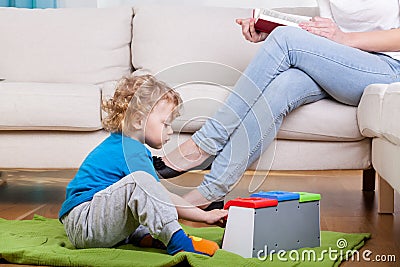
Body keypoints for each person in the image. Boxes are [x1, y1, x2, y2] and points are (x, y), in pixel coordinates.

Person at [154, 0, 400, 209]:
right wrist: (269, 30)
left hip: (386, 69)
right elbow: (320, 31)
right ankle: (211, 192)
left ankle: (204, 143)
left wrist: (345, 38)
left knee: (285, 40)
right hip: (335, 62)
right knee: (284, 85)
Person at [58, 74, 228, 256]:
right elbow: (162, 196)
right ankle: (177, 240)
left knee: (141, 196)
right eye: (165, 124)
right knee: (141, 183)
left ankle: (144, 236)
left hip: (87, 223)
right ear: (139, 120)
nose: (170, 132)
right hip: (86, 223)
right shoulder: (130, 149)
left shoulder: (123, 145)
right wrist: (205, 216)